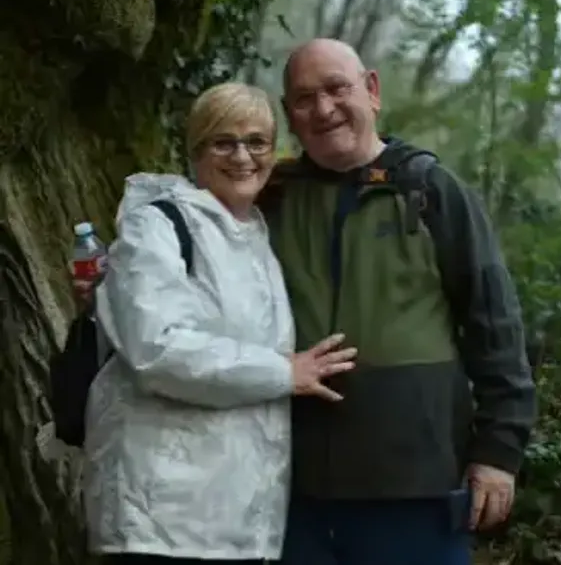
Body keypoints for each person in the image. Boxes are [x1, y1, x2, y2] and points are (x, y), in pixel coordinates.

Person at [261, 38, 536, 565]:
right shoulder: (271, 198)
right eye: (303, 98)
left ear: (372, 90)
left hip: (416, 488)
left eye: (337, 89)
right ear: (289, 116)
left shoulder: (432, 191)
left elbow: (494, 328)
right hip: (293, 492)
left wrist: (499, 453)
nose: (323, 109)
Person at [83, 82, 357, 564]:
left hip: (240, 523)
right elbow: (158, 350)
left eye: (256, 142)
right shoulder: (158, 225)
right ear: (195, 151)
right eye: (222, 142)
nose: (242, 156)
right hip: (163, 523)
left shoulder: (255, 235)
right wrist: (283, 372)